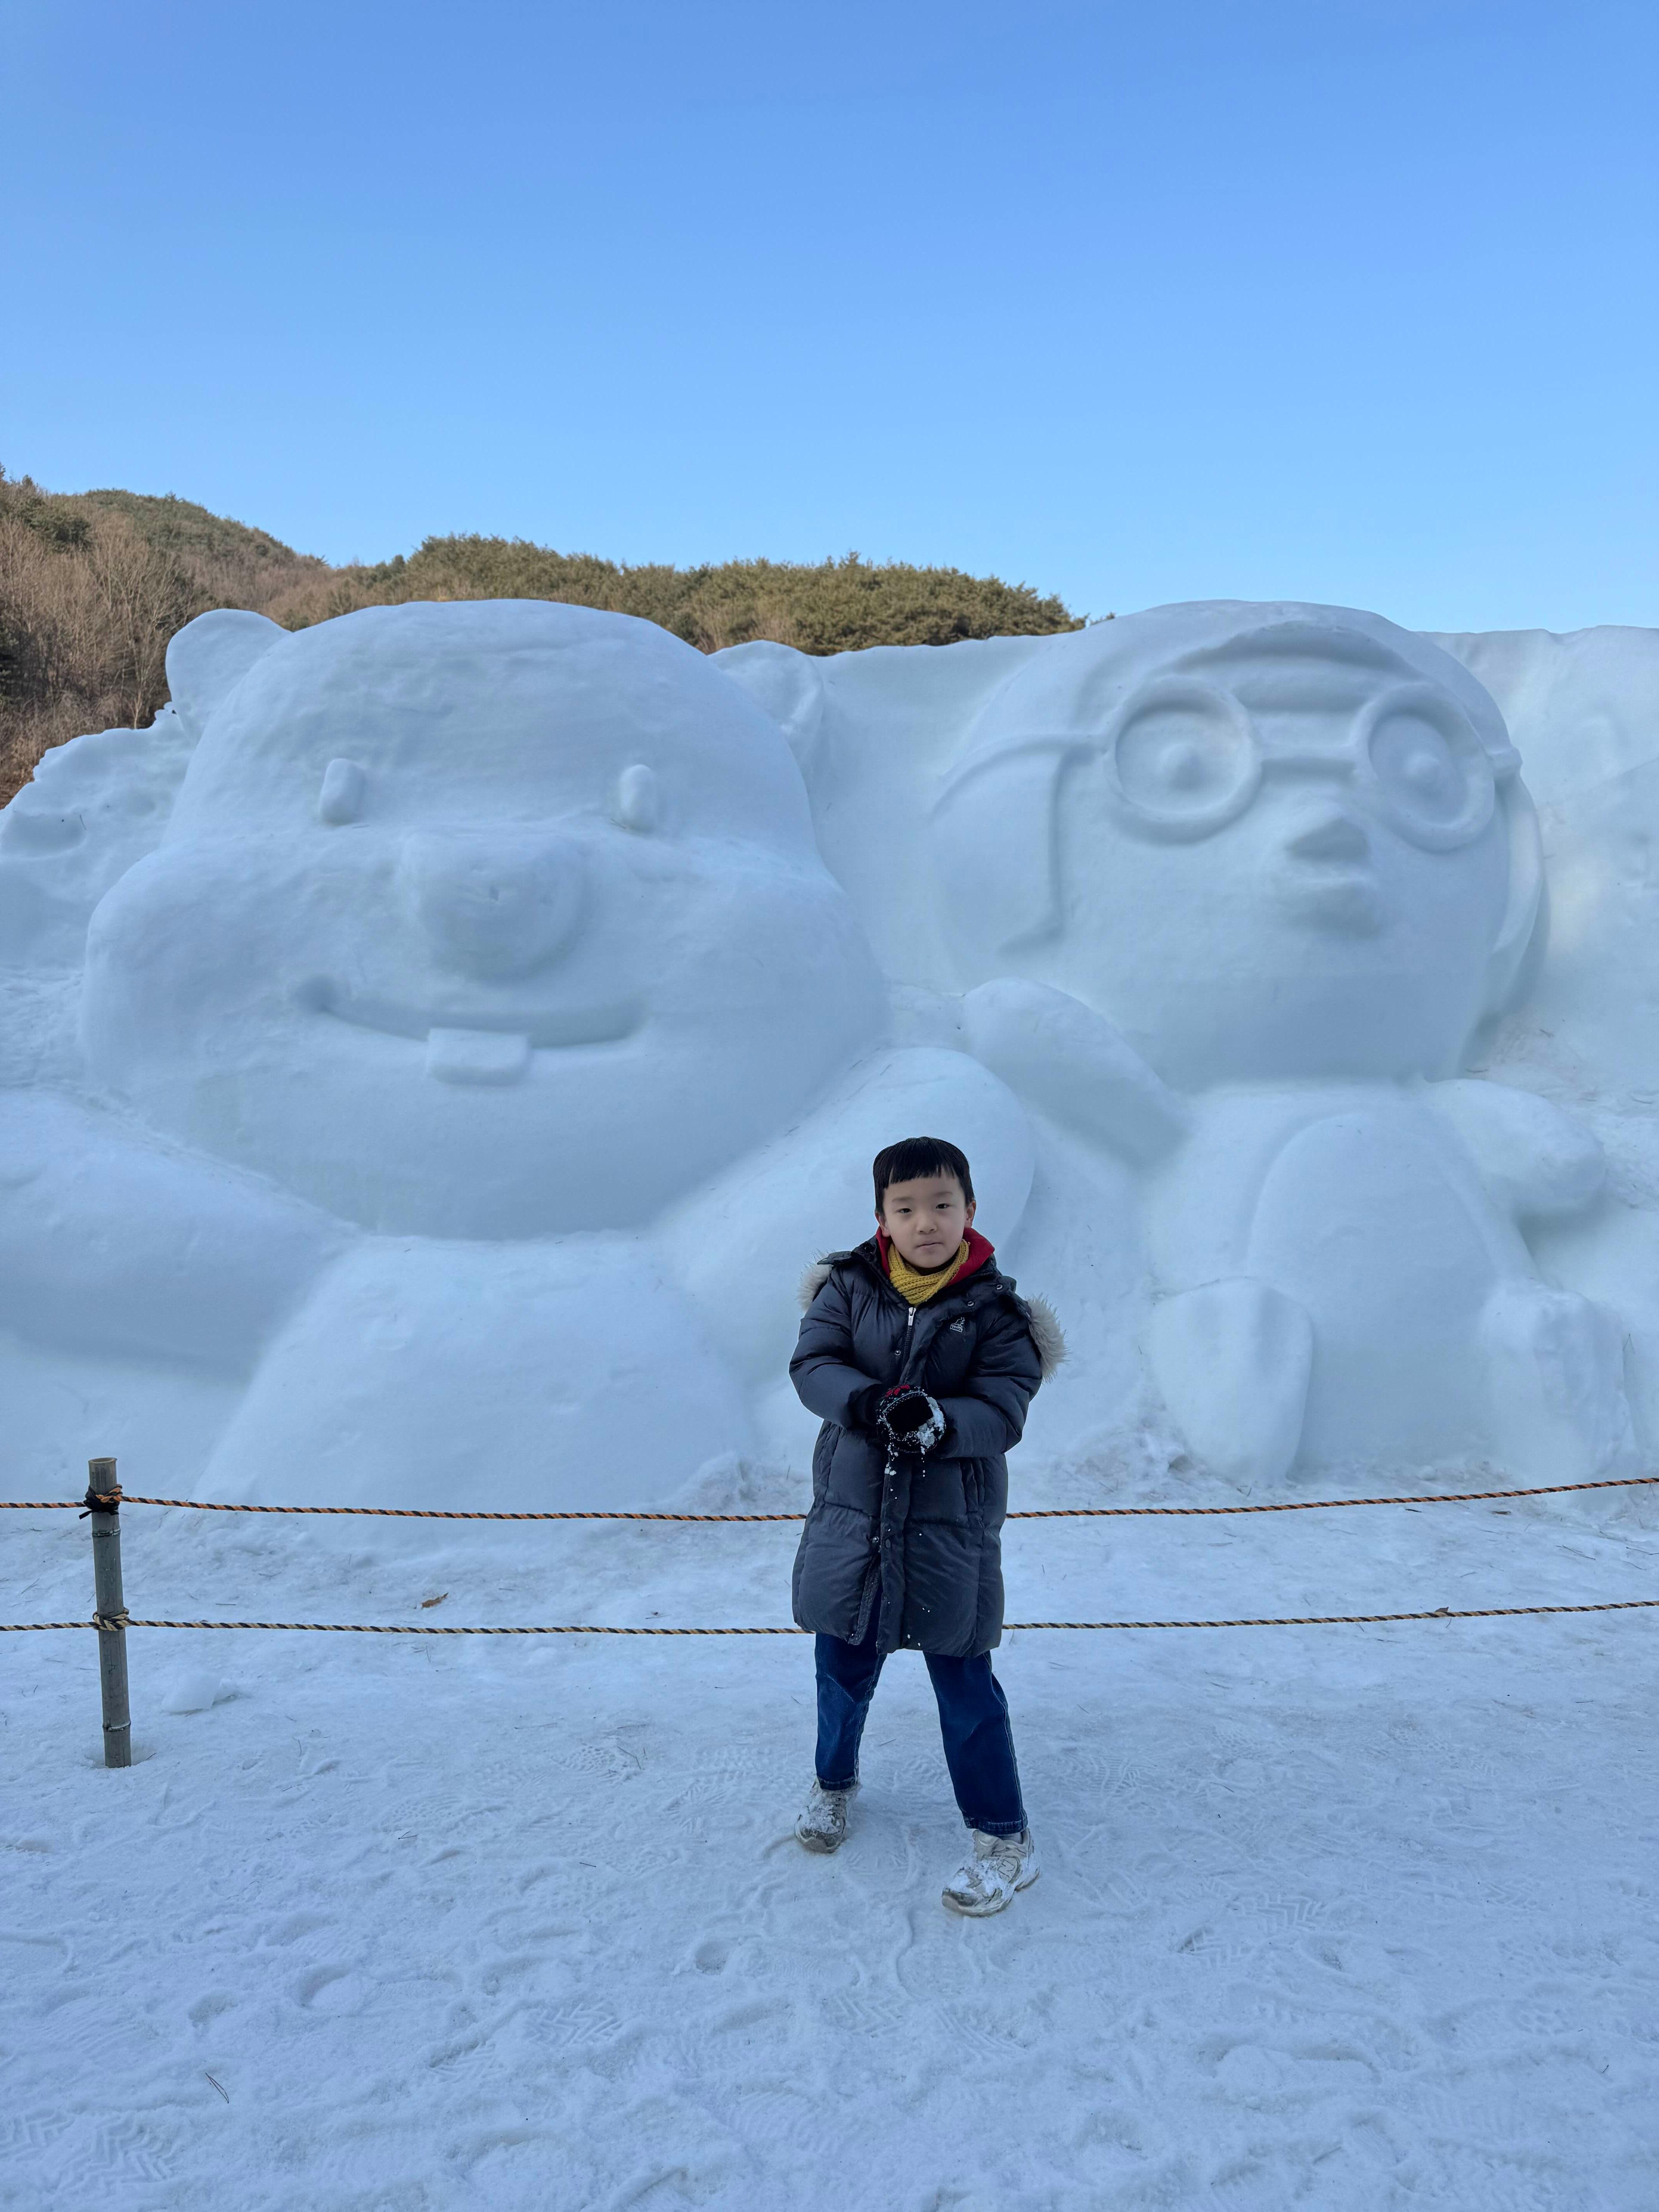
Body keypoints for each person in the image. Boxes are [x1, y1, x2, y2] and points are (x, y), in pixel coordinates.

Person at [788, 1135, 1064, 1915]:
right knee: (840, 1668)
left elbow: (1004, 1406)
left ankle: (1004, 1837)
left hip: (949, 1530)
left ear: (970, 1209)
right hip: (856, 1524)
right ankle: (833, 1785)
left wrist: (941, 1424)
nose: (926, 1222)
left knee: (965, 1684)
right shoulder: (847, 1288)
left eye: (942, 1205)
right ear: (881, 1217)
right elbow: (814, 1366)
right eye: (906, 1208)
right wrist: (873, 1403)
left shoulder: (998, 1312)